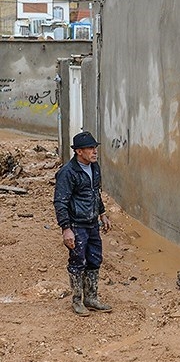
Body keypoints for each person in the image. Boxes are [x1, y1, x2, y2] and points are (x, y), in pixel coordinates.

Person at [54, 131, 113, 316]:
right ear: (79, 151)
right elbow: (60, 202)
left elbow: (95, 192)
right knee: (78, 262)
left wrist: (102, 213)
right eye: (91, 148)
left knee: (94, 259)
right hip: (77, 225)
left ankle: (91, 298)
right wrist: (66, 229)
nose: (95, 152)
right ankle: (77, 300)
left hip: (92, 223)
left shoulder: (95, 167)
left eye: (95, 148)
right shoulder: (67, 173)